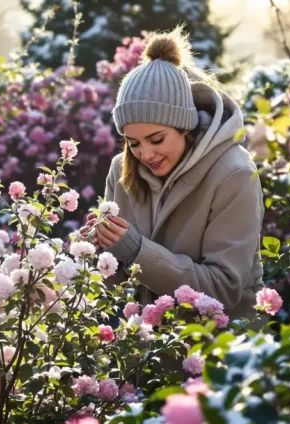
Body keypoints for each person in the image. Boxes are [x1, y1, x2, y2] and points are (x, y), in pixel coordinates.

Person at [84, 26, 264, 322]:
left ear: (185, 126)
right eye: (133, 142)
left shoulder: (234, 174)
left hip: (220, 352)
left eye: (156, 140)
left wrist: (137, 251)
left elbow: (224, 289)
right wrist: (97, 254)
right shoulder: (121, 169)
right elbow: (113, 289)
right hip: (142, 353)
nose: (146, 154)